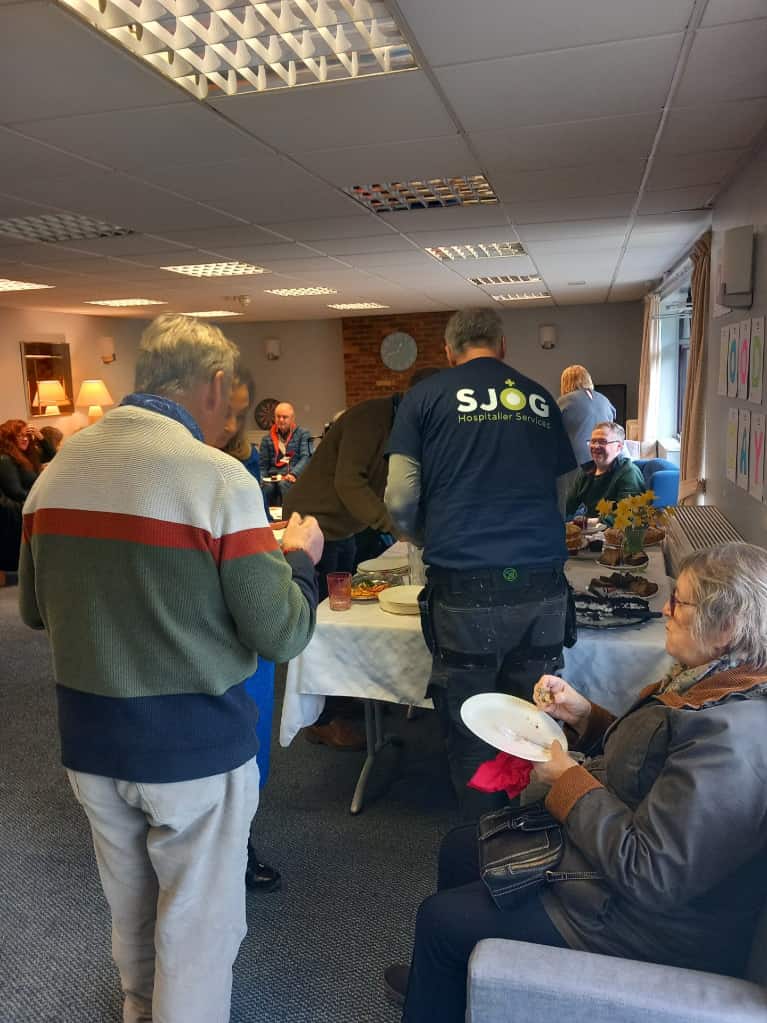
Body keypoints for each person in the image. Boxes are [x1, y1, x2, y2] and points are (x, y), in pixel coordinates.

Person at [19, 314, 323, 1023]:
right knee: (199, 926)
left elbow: (34, 611)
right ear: (214, 384)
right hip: (192, 748)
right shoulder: (217, 480)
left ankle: (137, 1007)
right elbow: (280, 631)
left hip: (90, 741)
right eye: (235, 401)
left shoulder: (54, 473)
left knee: (130, 900)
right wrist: (302, 558)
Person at [385, 542, 767, 1021]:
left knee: (440, 921)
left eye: (680, 602)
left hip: (653, 926)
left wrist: (567, 780)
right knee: (463, 845)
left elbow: (653, 874)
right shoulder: (714, 685)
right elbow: (651, 763)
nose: (666, 610)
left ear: (727, 627)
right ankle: (447, 983)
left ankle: (441, 970)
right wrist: (585, 716)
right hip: (633, 879)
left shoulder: (735, 737)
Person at [385, 308, 576, 817]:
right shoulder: (539, 397)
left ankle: (483, 840)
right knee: (535, 715)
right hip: (542, 586)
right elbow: (563, 491)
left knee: (472, 714)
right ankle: (534, 830)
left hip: (466, 588)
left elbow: (400, 495)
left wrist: (428, 536)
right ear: (503, 346)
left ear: (448, 351)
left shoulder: (423, 399)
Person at [283, 380, 431, 750]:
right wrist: (395, 528)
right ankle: (323, 719)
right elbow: (349, 482)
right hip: (314, 525)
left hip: (344, 527)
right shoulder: (371, 417)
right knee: (320, 623)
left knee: (344, 613)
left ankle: (342, 698)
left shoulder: (403, 425)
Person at [217, 363, 280, 894]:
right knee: (241, 744)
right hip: (228, 634)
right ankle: (235, 852)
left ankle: (238, 843)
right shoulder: (222, 476)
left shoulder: (242, 467)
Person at [565, 421, 645, 518]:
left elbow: (628, 515)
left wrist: (590, 523)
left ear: (618, 447)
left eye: (603, 442)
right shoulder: (586, 471)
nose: (595, 446)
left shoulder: (629, 473)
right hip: (589, 529)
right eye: (593, 441)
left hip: (615, 531)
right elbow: (568, 507)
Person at [557, 364, 616, 467]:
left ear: (565, 383)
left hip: (577, 461)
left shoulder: (564, 402)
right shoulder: (605, 400)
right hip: (606, 458)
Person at [259, 401, 312, 507]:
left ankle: (289, 517)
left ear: (292, 418)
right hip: (273, 477)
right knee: (265, 487)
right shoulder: (267, 439)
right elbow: (263, 465)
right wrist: (261, 480)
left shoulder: (303, 434)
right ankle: (266, 518)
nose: (281, 420)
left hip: (292, 476)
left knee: (284, 484)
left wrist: (293, 473)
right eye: (278, 417)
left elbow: (306, 457)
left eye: (285, 417)